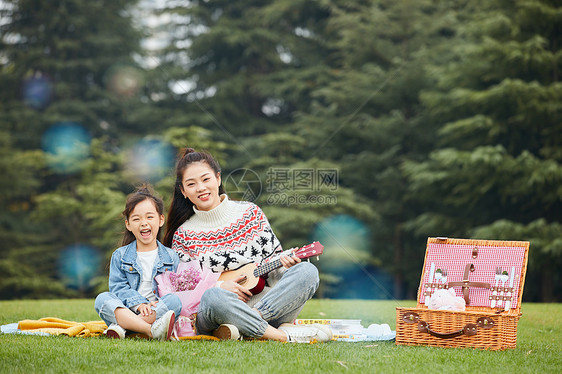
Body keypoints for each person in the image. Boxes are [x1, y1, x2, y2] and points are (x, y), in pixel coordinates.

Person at [163, 148, 332, 343]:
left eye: (206, 179)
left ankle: (246, 325)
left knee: (307, 272)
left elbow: (274, 271)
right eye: (191, 184)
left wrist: (287, 266)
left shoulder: (250, 214)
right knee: (214, 296)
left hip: (264, 303)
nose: (201, 188)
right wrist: (219, 285)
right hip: (218, 310)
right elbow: (182, 289)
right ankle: (281, 335)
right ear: (183, 191)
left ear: (218, 179)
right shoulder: (183, 235)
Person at [94, 185, 182, 340]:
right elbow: (118, 288)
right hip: (127, 309)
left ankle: (125, 328)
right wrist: (140, 304)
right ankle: (149, 330)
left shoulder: (171, 256)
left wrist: (152, 306)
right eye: (136, 218)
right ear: (128, 224)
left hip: (156, 310)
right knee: (102, 299)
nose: (143, 223)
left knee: (175, 301)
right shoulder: (120, 256)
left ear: (161, 220)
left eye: (149, 217)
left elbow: (172, 290)